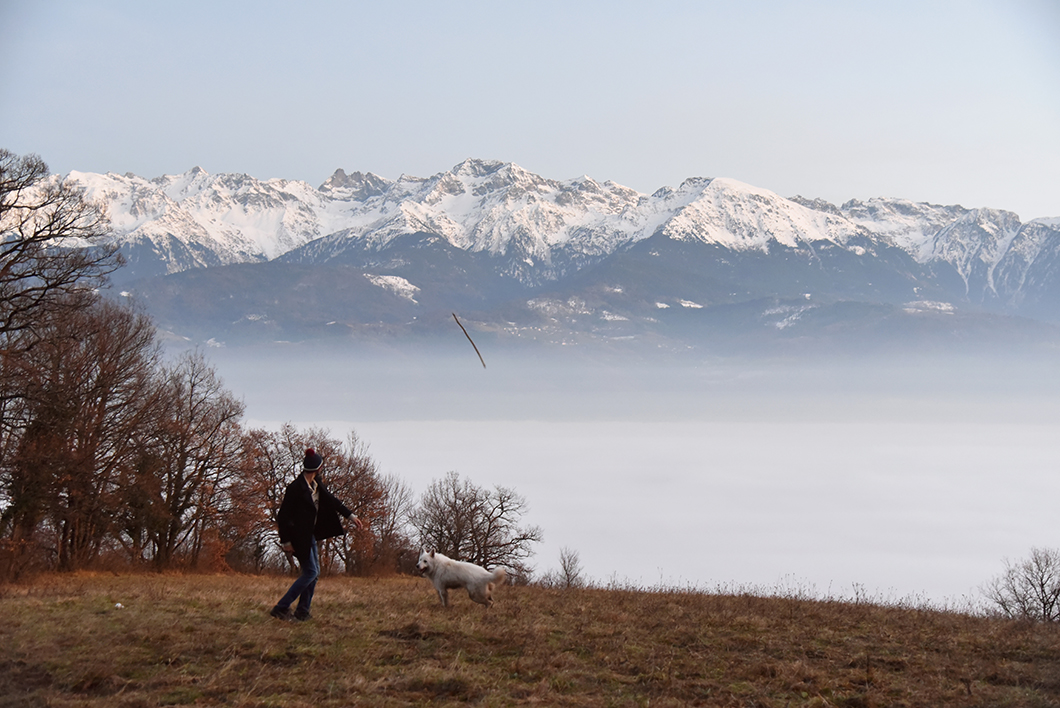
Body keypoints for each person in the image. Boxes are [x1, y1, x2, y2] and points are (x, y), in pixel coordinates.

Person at [270, 447, 365, 621]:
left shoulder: (316, 485)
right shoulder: (295, 488)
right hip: (298, 538)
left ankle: (302, 611)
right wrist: (286, 542)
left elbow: (332, 501)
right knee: (310, 573)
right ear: (318, 468)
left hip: (310, 536)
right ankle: (281, 608)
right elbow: (283, 516)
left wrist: (351, 516)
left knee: (314, 574)